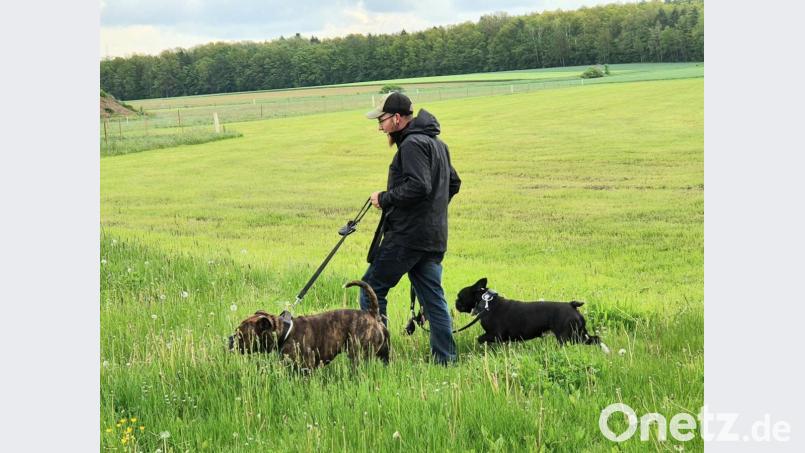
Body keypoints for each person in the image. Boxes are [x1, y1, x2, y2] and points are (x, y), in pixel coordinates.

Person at [360, 92, 461, 365]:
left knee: (370, 289)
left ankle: (378, 355)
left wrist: (385, 198)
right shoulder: (437, 143)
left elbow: (419, 186)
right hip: (432, 237)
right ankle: (446, 360)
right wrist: (432, 212)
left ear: (396, 118)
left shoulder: (412, 145)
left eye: (381, 120)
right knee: (432, 298)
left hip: (407, 238)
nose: (379, 126)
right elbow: (453, 183)